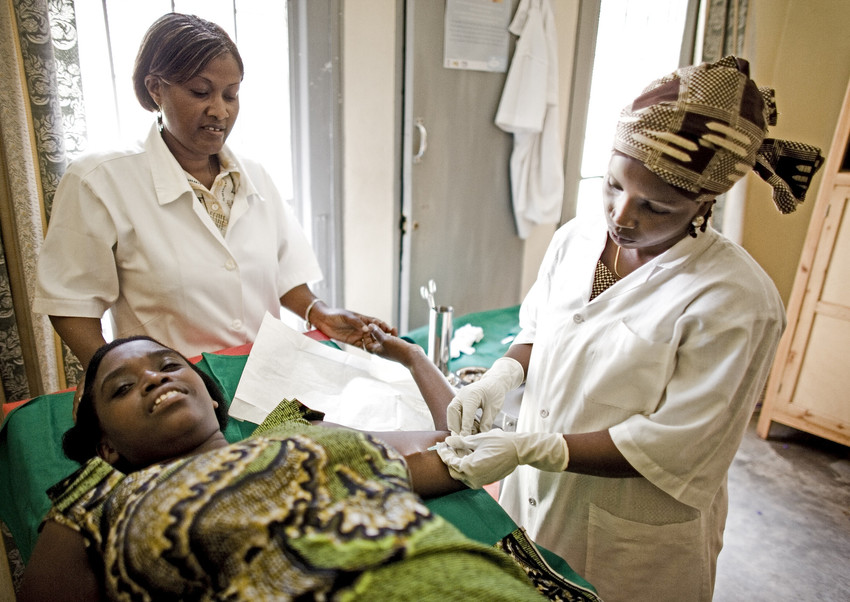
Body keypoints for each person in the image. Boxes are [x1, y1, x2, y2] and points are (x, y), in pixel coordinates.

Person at [437, 56, 824, 601]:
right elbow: (539, 329)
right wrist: (499, 377)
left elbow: (678, 446)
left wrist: (533, 448)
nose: (622, 216)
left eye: (655, 207)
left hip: (629, 540)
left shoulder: (735, 299)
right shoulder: (577, 238)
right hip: (535, 504)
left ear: (703, 203)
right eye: (613, 185)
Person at [17, 333, 552, 601]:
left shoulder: (295, 432)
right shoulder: (94, 507)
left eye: (167, 365)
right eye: (124, 388)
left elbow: (462, 447)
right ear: (107, 447)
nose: (154, 379)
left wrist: (413, 356)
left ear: (209, 393)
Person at [32, 12, 393, 369]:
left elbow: (285, 277)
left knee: (377, 419)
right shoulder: (99, 181)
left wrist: (321, 313)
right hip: (177, 393)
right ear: (155, 88)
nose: (219, 110)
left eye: (231, 95)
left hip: (269, 382)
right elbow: (72, 304)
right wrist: (112, 373)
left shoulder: (254, 176)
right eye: (200, 92)